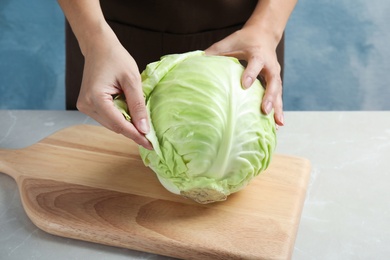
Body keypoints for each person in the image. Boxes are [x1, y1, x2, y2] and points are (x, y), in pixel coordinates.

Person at [58, 0, 297, 150]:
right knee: (93, 144)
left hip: (249, 33)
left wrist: (266, 29)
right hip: (107, 32)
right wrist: (93, 38)